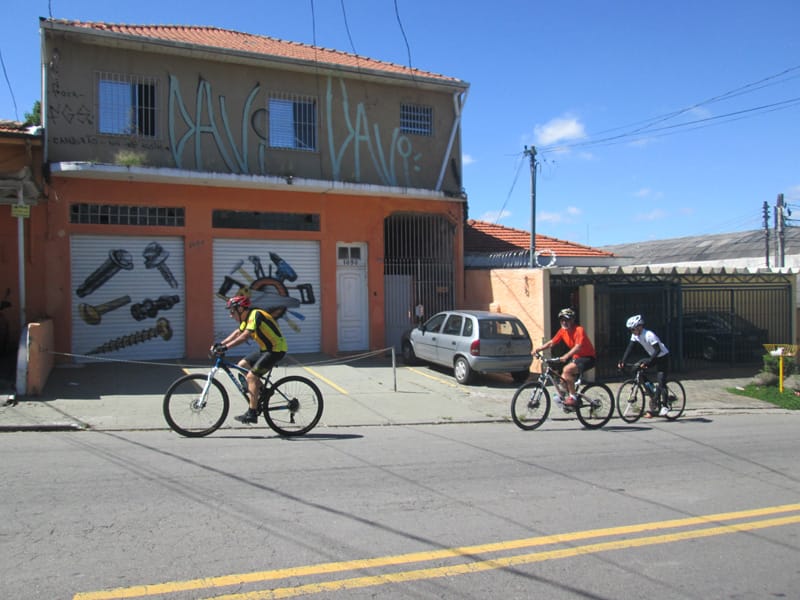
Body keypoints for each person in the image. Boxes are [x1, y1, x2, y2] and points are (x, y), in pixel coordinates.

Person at [212, 295, 288, 424]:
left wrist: (226, 348)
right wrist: (220, 344)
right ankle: (263, 391)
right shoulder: (247, 318)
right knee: (242, 365)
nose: (231, 315)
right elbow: (238, 332)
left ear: (241, 309)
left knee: (251, 377)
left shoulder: (255, 315)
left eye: (232, 311)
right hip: (266, 349)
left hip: (276, 350)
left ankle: (252, 413)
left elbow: (245, 336)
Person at [533, 307, 596, 408]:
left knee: (567, 370)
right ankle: (567, 397)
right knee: (563, 378)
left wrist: (566, 356)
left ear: (572, 320)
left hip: (588, 358)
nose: (564, 322)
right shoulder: (562, 331)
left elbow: (578, 347)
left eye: (567, 320)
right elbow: (552, 342)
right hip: (576, 358)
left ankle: (573, 397)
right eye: (562, 320)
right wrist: (538, 349)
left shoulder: (579, 330)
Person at [617, 314, 670, 418]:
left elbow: (657, 350)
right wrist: (623, 361)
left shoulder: (649, 335)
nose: (632, 332)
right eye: (630, 330)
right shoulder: (635, 335)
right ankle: (651, 390)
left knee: (661, 381)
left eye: (633, 329)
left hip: (662, 357)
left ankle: (665, 406)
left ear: (639, 327)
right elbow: (630, 348)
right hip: (653, 357)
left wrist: (649, 361)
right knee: (636, 368)